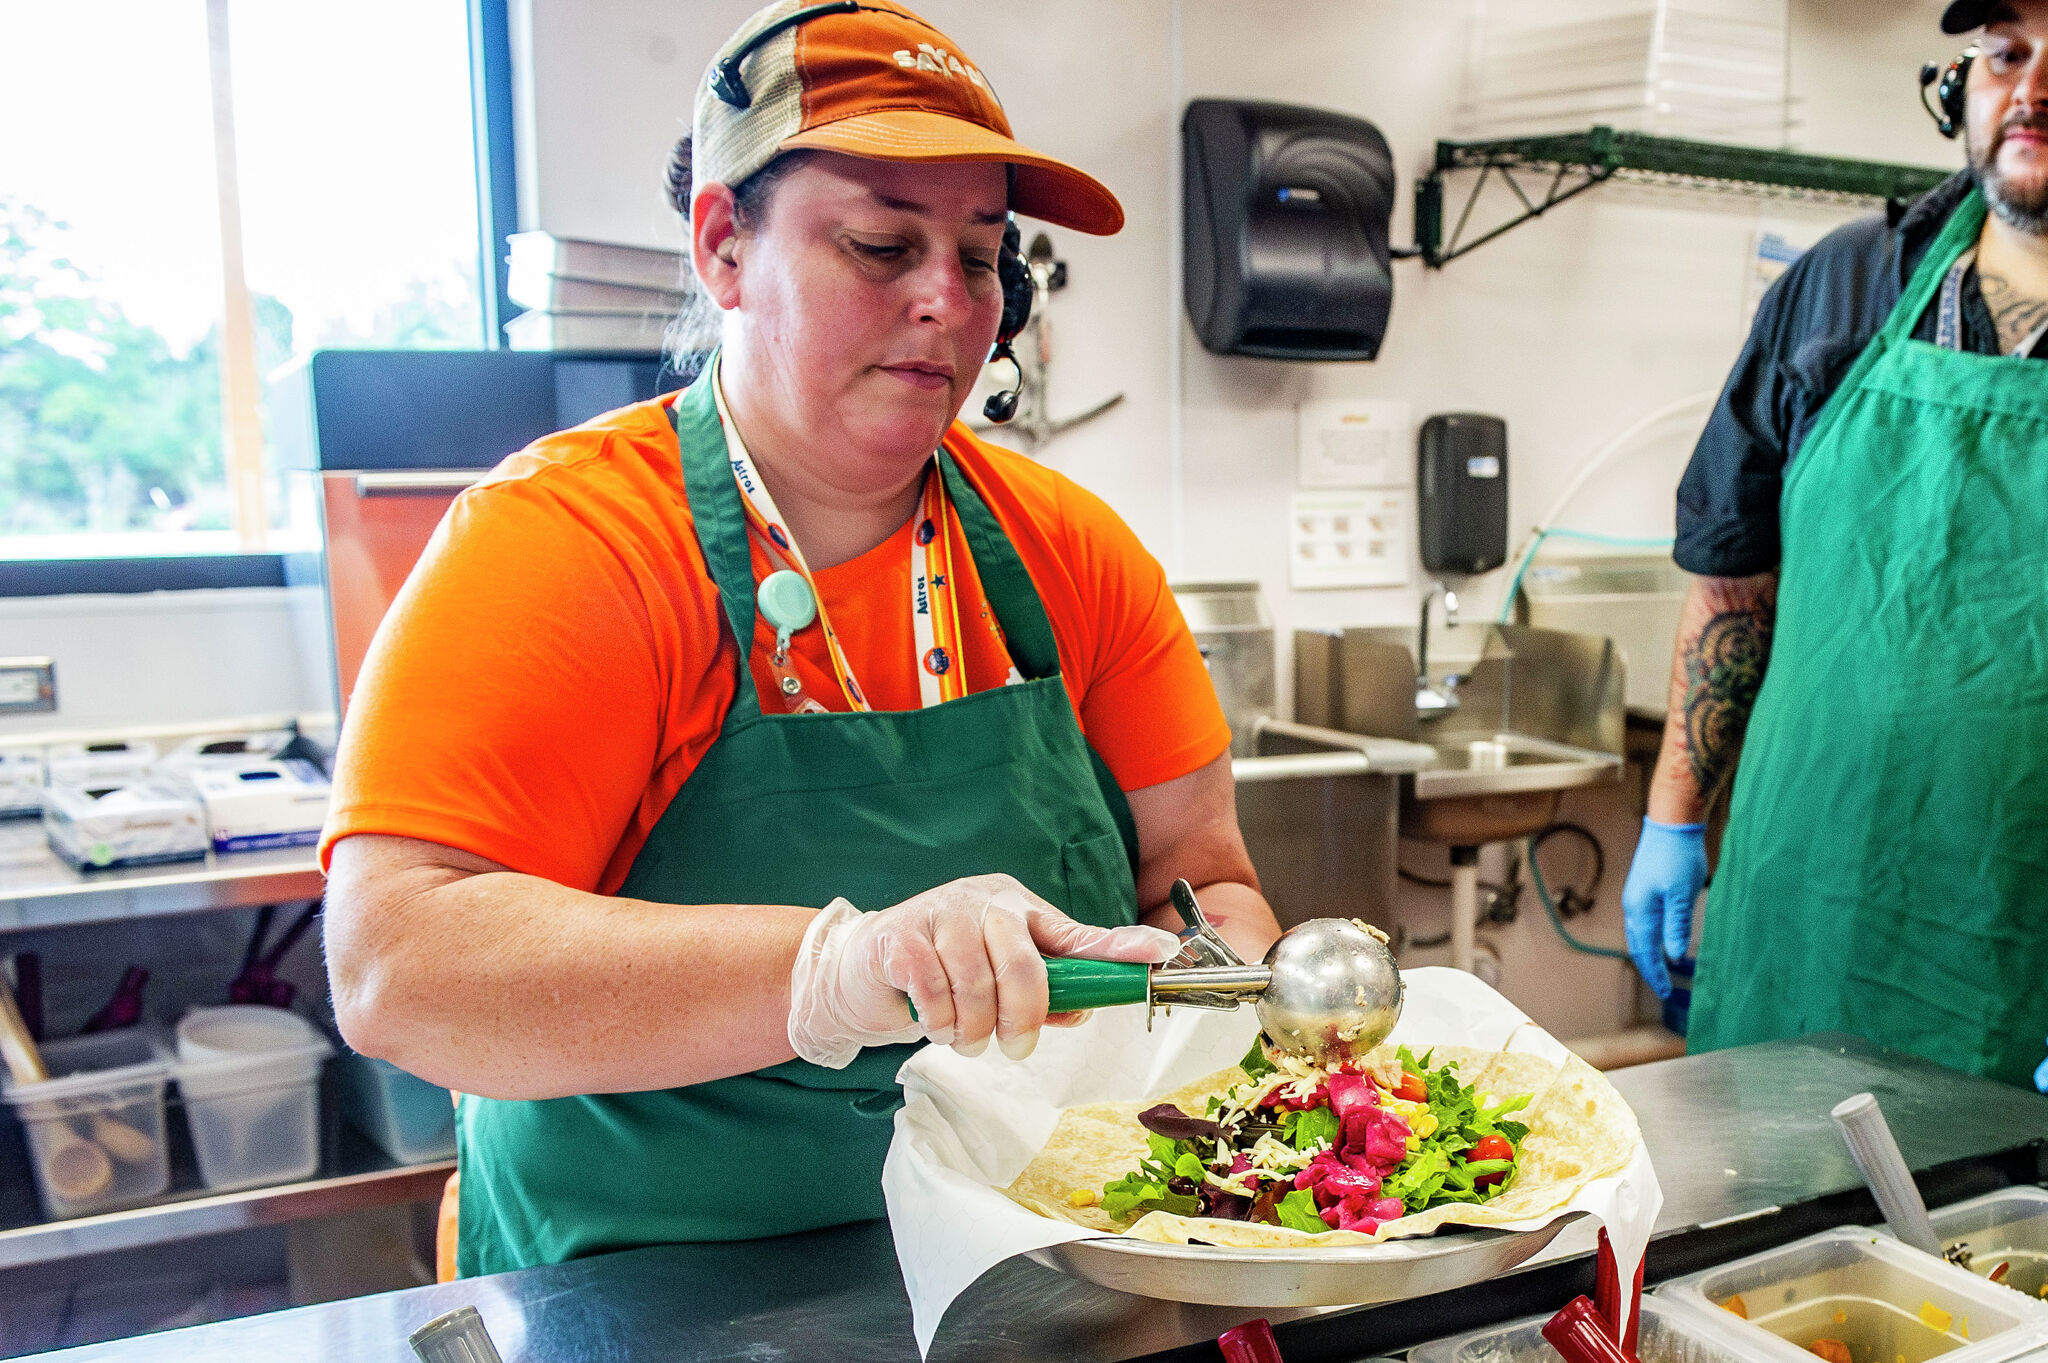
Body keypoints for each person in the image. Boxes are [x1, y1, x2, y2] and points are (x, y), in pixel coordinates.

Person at [320, 0, 1281, 1276]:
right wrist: (845, 963)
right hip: (650, 1286)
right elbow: (398, 966)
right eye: (882, 245)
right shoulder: (568, 546)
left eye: (984, 257)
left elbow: (1202, 873)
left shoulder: (1067, 551)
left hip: (1038, 1263)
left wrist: (1225, 1003)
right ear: (724, 247)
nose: (951, 304)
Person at [1623, 0, 2048, 1089]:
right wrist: (1671, 818)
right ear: (1959, 85)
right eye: (2006, 54)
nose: (2031, 88)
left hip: (2016, 932)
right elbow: (1734, 579)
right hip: (1803, 897)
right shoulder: (1844, 283)